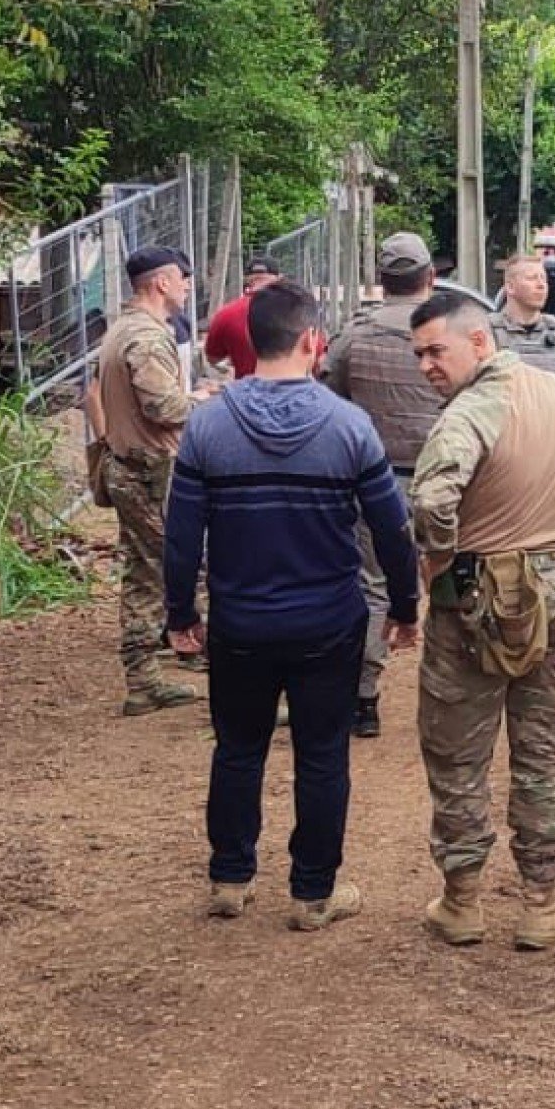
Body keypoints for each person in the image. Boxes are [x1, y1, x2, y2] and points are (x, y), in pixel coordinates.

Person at [162, 281, 422, 931]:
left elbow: (181, 531)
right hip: (328, 622)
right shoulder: (348, 426)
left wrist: (179, 613)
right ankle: (312, 893)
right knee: (323, 752)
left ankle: (229, 876)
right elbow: (391, 528)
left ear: (250, 340)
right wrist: (405, 603)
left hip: (240, 621)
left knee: (238, 747)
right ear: (313, 340)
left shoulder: (209, 424)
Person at [408, 290, 555, 951]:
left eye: (436, 350)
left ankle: (462, 902)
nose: (427, 364)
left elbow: (430, 499)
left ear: (479, 340)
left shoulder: (470, 410)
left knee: (458, 754)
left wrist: (442, 554)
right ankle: (543, 899)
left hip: (470, 601)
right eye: (419, 354)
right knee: (541, 755)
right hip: (554, 589)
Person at [323, 231, 444, 738]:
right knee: (460, 586)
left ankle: (364, 698)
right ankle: (460, 698)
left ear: (380, 281)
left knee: (372, 589)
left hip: (375, 485)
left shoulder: (353, 337)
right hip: (447, 482)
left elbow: (331, 404)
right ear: (430, 277)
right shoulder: (448, 334)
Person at [92, 245, 203, 716]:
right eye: (182, 278)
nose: (187, 286)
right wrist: (209, 400)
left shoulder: (121, 329)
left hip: (127, 468)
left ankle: (142, 681)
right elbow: (165, 409)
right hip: (153, 475)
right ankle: (243, 689)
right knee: (197, 572)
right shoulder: (146, 339)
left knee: (142, 576)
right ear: (161, 283)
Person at [489, 255, 555, 386]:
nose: (541, 285)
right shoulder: (488, 335)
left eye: (544, 279)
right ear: (510, 287)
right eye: (531, 278)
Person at [202, 255, 280, 379]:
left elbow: (212, 358)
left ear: (246, 279)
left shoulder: (226, 314)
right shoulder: (295, 309)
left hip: (247, 392)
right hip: (291, 392)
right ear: (279, 278)